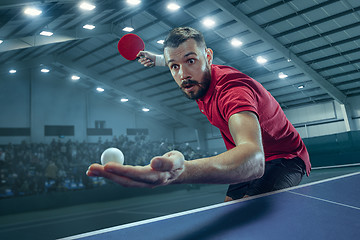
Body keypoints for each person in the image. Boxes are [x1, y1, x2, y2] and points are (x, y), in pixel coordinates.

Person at [87, 27, 311, 201]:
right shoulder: (195, 79)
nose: (183, 74)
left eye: (191, 61)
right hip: (240, 161)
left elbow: (254, 159)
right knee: (230, 213)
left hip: (284, 158)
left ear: (209, 57)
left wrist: (180, 172)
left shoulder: (232, 92)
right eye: (174, 66)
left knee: (254, 222)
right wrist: (158, 59)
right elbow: (179, 60)